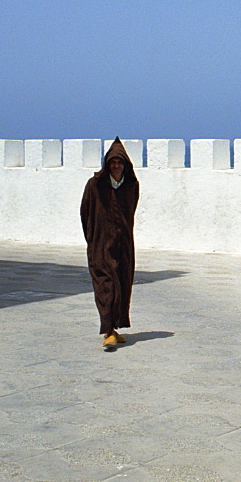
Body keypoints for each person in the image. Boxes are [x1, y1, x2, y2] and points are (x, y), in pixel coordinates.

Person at [80, 138, 139, 351]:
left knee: (122, 284)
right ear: (107, 164)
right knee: (106, 284)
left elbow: (130, 211)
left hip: (123, 245)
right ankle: (108, 331)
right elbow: (85, 212)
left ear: (125, 164)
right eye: (112, 162)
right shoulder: (95, 185)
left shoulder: (131, 186)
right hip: (100, 244)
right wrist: (94, 238)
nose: (116, 166)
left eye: (120, 162)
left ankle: (115, 327)